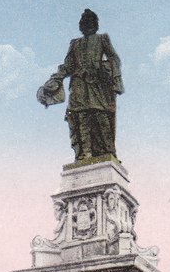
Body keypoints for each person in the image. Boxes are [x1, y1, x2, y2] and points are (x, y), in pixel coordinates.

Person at [37, 9, 124, 162]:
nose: (86, 24)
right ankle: (84, 153)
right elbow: (67, 66)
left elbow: (114, 59)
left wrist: (113, 77)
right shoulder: (75, 43)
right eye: (83, 21)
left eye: (89, 21)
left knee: (100, 116)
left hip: (97, 85)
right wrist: (55, 79)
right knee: (79, 117)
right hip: (79, 85)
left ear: (95, 24)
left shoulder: (102, 39)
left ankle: (106, 150)